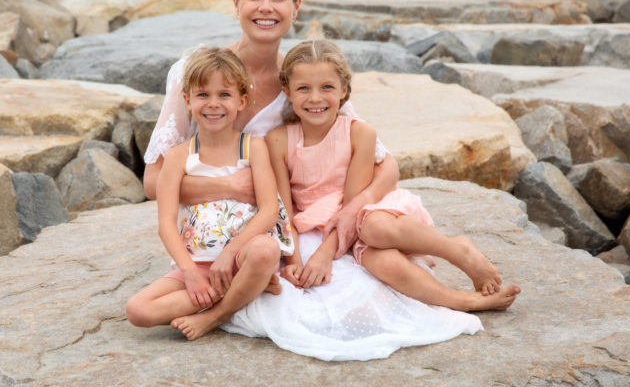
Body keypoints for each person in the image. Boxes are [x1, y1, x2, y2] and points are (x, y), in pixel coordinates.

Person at [221, 41, 519, 361]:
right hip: (317, 226)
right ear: (287, 90)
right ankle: (461, 301)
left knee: (374, 227)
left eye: (327, 87)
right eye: (303, 88)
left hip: (364, 214)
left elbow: (352, 207)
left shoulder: (359, 134)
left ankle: (455, 249)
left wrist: (324, 255)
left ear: (345, 90)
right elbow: (286, 212)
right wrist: (294, 263)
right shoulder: (277, 141)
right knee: (384, 264)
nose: (316, 98)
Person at [143, 0, 396, 261]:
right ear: (235, 4)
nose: (266, 8)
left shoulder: (303, 81)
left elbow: (385, 164)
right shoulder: (194, 74)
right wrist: (232, 186)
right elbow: (154, 182)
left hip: (286, 236)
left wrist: (354, 209)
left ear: (296, 7)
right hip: (210, 240)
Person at [125, 47, 291, 341]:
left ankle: (217, 314)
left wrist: (230, 254)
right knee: (138, 310)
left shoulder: (253, 147)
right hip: (198, 263)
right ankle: (247, 287)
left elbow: (268, 211)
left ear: (241, 101)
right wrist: (189, 272)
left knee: (266, 250)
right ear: (187, 101)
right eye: (203, 95)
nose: (213, 104)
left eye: (224, 95)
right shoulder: (178, 157)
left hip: (241, 256)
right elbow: (165, 223)